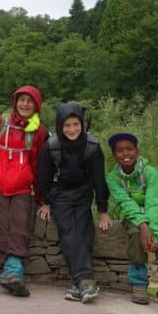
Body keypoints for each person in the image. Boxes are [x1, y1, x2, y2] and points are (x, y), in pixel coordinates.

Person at [36, 104, 111, 303]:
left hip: (83, 194)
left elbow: (99, 179)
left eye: (76, 124)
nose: (71, 129)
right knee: (69, 232)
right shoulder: (51, 145)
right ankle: (85, 281)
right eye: (67, 125)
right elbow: (43, 177)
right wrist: (46, 201)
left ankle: (77, 284)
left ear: (82, 124)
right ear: (60, 125)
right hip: (59, 195)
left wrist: (103, 210)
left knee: (85, 231)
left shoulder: (92, 146)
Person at [0, 86, 47, 297]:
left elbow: (38, 164)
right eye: (21, 100)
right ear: (15, 102)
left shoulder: (39, 131)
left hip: (22, 186)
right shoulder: (2, 122)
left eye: (30, 101)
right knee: (3, 223)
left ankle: (13, 271)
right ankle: (12, 273)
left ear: (37, 105)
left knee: (20, 224)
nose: (25, 104)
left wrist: (41, 197)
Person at [105, 132, 158, 313]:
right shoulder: (113, 178)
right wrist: (143, 226)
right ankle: (139, 284)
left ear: (137, 151)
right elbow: (126, 203)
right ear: (114, 155)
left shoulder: (149, 172)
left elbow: (154, 202)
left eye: (130, 149)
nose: (125, 154)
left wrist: (153, 232)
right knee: (135, 237)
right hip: (134, 217)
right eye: (120, 151)